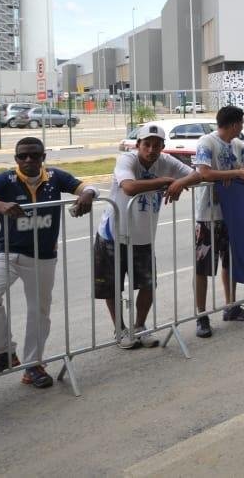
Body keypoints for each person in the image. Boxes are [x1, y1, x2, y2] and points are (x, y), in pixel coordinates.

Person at [0, 137, 96, 388]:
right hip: (8, 253)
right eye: (22, 156)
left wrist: (87, 195)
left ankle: (33, 365)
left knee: (39, 311)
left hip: (43, 257)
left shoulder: (55, 177)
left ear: (43, 157)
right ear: (15, 159)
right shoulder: (5, 180)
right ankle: (4, 352)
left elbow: (88, 186)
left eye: (34, 156)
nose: (28, 160)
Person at [95, 124, 199, 349]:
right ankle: (120, 330)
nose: (151, 149)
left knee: (148, 284)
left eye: (157, 145)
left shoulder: (166, 162)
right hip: (114, 233)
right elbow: (129, 187)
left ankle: (140, 327)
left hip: (143, 236)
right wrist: (165, 181)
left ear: (163, 146)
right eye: (147, 145)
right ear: (138, 145)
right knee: (113, 286)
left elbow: (196, 175)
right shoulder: (127, 160)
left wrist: (180, 182)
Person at [192, 106, 244, 339]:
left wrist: (241, 169)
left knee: (229, 262)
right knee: (203, 267)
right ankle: (201, 315)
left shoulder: (237, 145)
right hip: (208, 216)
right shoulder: (207, 142)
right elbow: (204, 173)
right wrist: (235, 173)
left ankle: (230, 305)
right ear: (233, 124)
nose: (242, 127)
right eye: (241, 123)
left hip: (231, 214)